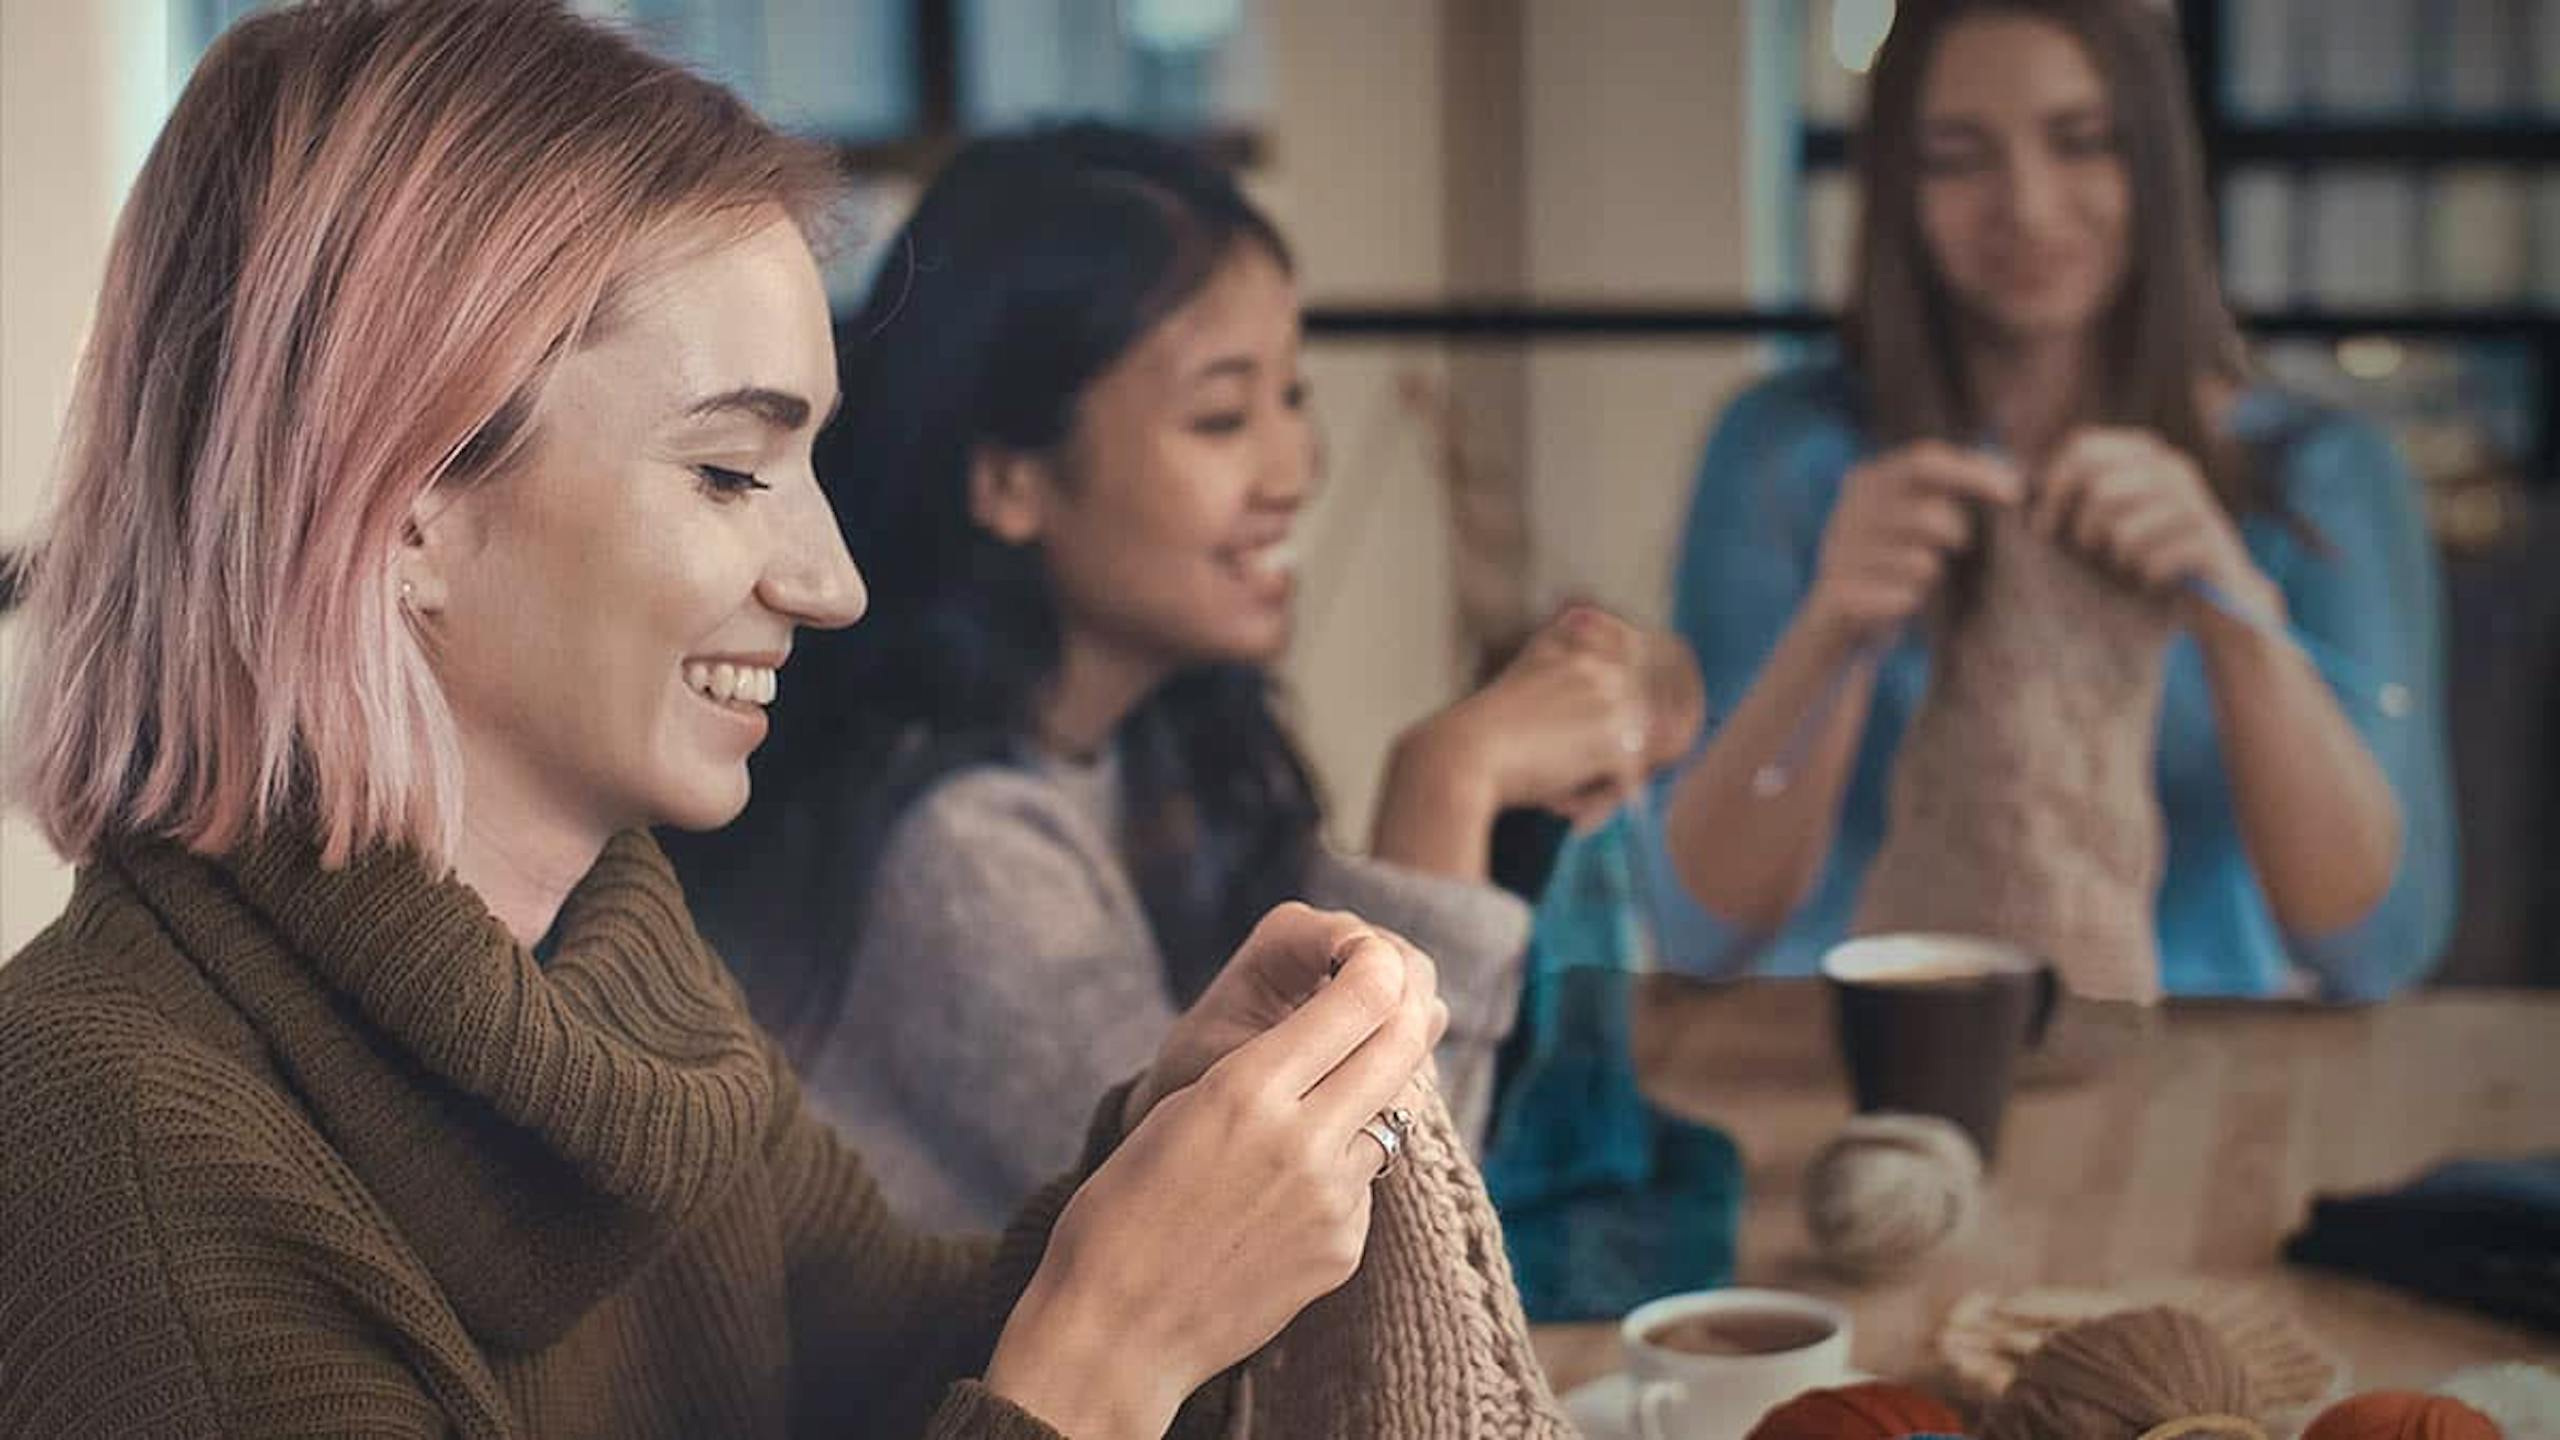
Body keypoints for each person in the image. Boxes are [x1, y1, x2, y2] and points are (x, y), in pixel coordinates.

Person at [0, 6, 1573, 1436]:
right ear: (403, 506)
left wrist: (1154, 1155)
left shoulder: (611, 963)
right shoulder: (118, 1160)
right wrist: (1109, 1356)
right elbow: (1033, 1387)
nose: (832, 585)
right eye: (731, 473)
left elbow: (889, 1366)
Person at [666, 123, 1697, 1229]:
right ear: (1011, 478)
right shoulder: (958, 857)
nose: (1296, 470)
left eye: (1292, 397)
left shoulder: (1157, 744)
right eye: (1221, 416)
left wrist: (1602, 712)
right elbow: (1352, 1264)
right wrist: (1446, 784)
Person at [1645, 0, 2453, 1001]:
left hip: (2194, 1055)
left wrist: (2235, 612)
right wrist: (1833, 628)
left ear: (2154, 164)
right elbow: (1693, 930)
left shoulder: (2319, 474)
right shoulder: (1784, 453)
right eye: (1956, 156)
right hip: (1846, 1056)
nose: (2025, 206)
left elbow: (2375, 949)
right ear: (1900, 184)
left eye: (2083, 143)